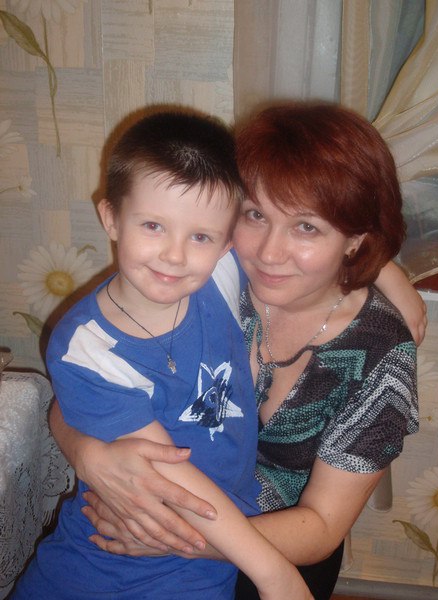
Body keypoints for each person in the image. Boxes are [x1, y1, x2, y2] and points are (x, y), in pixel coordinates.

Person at [48, 102, 422, 600]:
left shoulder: (380, 355)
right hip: (146, 527)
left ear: (355, 238)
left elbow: (322, 526)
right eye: (256, 215)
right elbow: (84, 386)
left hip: (277, 543)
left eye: (307, 228)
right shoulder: (215, 275)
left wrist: (178, 540)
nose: (269, 252)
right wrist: (89, 454)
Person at [11, 110, 312, 600]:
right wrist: (275, 574)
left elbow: (325, 226)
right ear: (111, 218)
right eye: (153, 225)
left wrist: (390, 279)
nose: (175, 255)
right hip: (106, 559)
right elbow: (170, 475)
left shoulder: (219, 275)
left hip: (199, 563)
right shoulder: (87, 348)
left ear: (227, 242)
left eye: (200, 236)